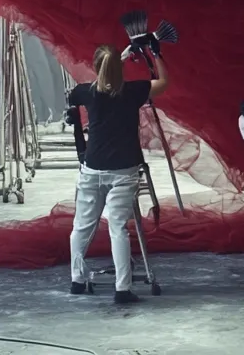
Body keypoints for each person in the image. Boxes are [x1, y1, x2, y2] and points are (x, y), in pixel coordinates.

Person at [67, 42, 169, 304]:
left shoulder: (86, 93)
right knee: (117, 228)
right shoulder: (134, 91)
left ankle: (77, 280)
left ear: (96, 67)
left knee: (81, 227)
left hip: (93, 169)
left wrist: (116, 61)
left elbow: (78, 94)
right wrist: (155, 54)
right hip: (124, 171)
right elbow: (163, 82)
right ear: (120, 68)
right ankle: (122, 289)